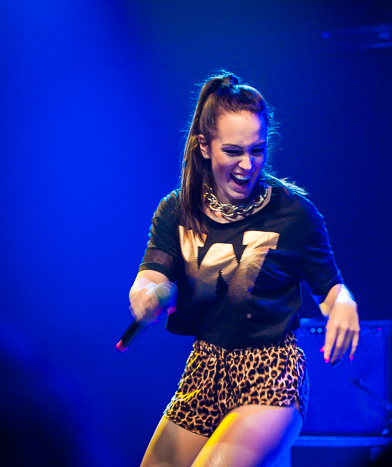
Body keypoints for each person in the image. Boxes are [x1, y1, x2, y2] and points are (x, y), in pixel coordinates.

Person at [129, 71, 360, 467]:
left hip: (271, 373)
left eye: (258, 150)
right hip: (203, 371)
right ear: (205, 146)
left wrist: (345, 305)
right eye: (233, 151)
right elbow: (151, 276)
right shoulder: (176, 210)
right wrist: (145, 297)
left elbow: (332, 291)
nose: (247, 165)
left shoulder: (294, 213)